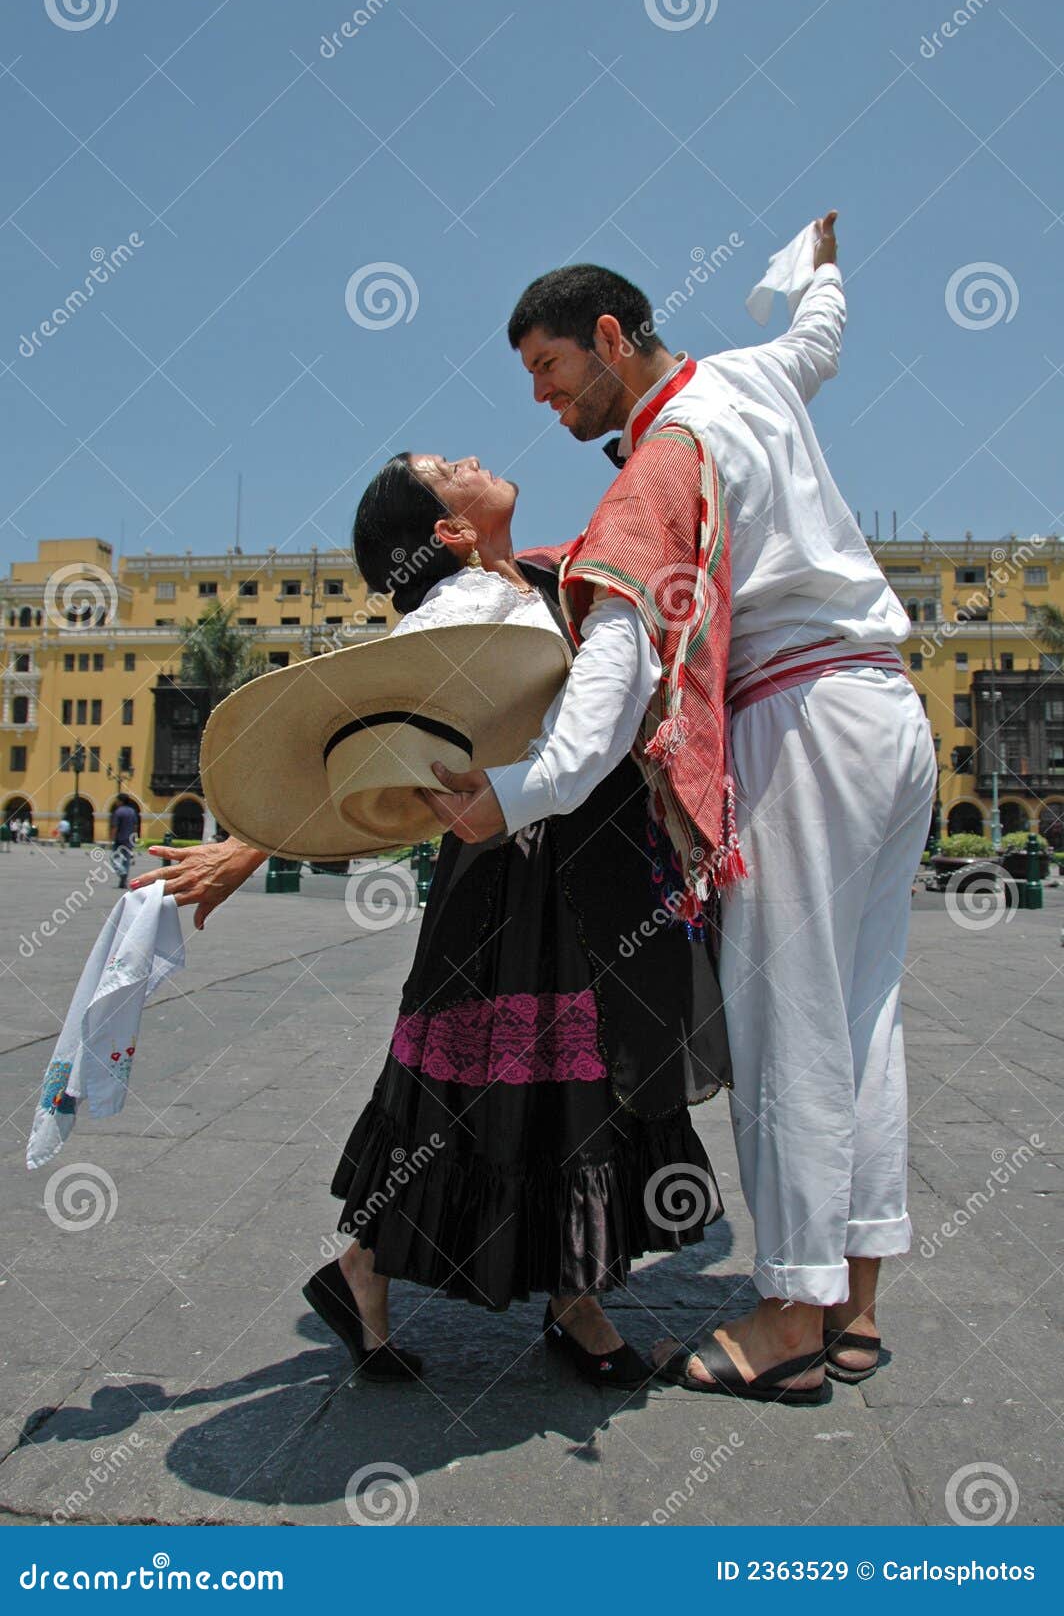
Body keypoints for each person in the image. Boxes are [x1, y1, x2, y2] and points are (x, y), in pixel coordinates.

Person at [423, 213, 935, 1405]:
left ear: (607, 335)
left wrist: (513, 795)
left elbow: (611, 676)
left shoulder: (661, 461)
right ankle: (855, 1303)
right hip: (883, 710)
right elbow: (820, 335)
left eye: (550, 369)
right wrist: (806, 266)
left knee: (790, 1027)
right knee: (864, 1013)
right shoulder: (748, 378)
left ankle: (787, 1317)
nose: (545, 403)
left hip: (796, 721)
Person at [132, 452, 731, 1389]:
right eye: (450, 468)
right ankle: (367, 1271)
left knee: (587, 1075)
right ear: (448, 531)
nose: (475, 459)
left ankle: (575, 1295)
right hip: (504, 883)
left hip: (587, 870)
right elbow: (364, 750)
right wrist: (249, 844)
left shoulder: (547, 574)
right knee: (479, 1088)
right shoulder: (452, 615)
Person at [110, 796, 139, 889]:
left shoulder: (118, 811)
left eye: (117, 800)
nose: (116, 802)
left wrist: (112, 837)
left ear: (121, 801)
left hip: (119, 839)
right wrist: (134, 836)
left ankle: (122, 872)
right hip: (129, 839)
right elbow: (135, 825)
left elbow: (115, 826)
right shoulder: (132, 811)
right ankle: (123, 879)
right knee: (126, 859)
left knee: (114, 858)